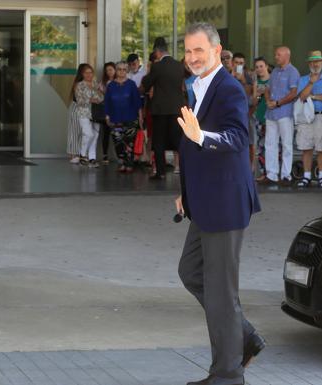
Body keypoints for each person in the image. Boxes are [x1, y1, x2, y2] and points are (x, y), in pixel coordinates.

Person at [175, 22, 263, 385]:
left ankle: (228, 375)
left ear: (216, 50)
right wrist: (186, 191)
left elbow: (238, 137)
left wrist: (202, 136)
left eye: (199, 50)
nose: (193, 57)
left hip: (225, 202)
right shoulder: (194, 85)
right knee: (191, 272)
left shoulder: (229, 87)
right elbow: (192, 150)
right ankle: (245, 337)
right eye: (188, 51)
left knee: (221, 293)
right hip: (204, 200)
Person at [142, 37, 185, 179]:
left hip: (160, 109)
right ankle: (186, 169)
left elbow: (147, 84)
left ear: (157, 52)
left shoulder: (157, 66)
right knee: (178, 140)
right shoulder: (179, 65)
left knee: (159, 141)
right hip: (177, 108)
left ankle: (160, 173)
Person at [295, 50, 322, 188]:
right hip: (306, 117)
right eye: (313, 61)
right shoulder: (303, 79)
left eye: (318, 61)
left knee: (321, 148)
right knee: (306, 148)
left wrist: (314, 96)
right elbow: (301, 97)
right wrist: (311, 83)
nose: (315, 64)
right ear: (309, 63)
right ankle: (306, 176)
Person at [260, 46, 300, 186]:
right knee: (270, 144)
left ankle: (286, 175)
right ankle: (271, 175)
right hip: (271, 113)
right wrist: (268, 101)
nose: (275, 57)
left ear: (286, 56)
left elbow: (293, 93)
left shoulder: (293, 72)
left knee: (287, 145)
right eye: (276, 54)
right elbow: (267, 89)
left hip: (284, 113)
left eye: (278, 54)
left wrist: (277, 103)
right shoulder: (275, 71)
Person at [104, 61, 144, 173]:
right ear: (116, 71)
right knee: (118, 142)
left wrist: (140, 117)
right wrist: (107, 116)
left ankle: (129, 164)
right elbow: (107, 102)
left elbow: (137, 102)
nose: (121, 72)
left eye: (124, 69)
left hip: (130, 118)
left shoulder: (131, 84)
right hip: (115, 118)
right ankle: (122, 163)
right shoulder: (111, 85)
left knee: (129, 142)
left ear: (127, 71)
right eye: (119, 69)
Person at [74, 63, 103, 168]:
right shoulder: (79, 85)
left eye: (91, 72)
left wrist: (99, 93)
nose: (89, 75)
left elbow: (101, 98)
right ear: (82, 74)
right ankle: (82, 155)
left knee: (95, 136)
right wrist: (90, 100)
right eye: (87, 73)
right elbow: (79, 100)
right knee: (88, 134)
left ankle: (92, 158)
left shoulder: (96, 84)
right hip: (84, 113)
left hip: (96, 113)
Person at [249, 56, 270, 177]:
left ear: (266, 66)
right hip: (259, 118)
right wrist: (258, 94)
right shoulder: (256, 83)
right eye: (257, 67)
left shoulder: (272, 80)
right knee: (261, 147)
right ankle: (263, 173)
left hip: (272, 117)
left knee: (273, 146)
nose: (259, 69)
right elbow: (254, 102)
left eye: (261, 66)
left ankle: (273, 172)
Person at [66, 64, 85, 164]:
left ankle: (80, 154)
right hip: (77, 109)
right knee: (74, 131)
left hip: (84, 110)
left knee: (83, 132)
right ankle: (73, 154)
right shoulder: (78, 83)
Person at [98, 62, 116, 164]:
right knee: (106, 133)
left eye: (111, 69)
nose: (109, 72)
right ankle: (105, 155)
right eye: (107, 70)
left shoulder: (119, 81)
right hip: (107, 110)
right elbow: (100, 95)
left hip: (117, 110)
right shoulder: (103, 83)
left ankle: (119, 155)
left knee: (117, 133)